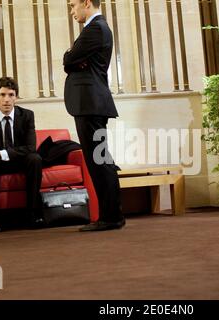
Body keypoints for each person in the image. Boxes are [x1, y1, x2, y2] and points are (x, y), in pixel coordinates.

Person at [63, 0, 125, 231]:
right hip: (90, 103)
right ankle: (111, 215)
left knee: (99, 160)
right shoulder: (95, 29)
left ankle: (111, 216)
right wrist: (73, 60)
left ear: (86, 3)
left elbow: (69, 60)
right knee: (98, 159)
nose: (72, 11)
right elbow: (73, 62)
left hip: (91, 103)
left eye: (73, 5)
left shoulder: (96, 28)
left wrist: (71, 58)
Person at [0, 77, 44, 232]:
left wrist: (0, 153)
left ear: (16, 97)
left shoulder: (27, 115)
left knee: (35, 159)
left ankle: (31, 214)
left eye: (11, 95)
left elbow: (30, 147)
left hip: (19, 160)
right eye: (2, 95)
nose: (6, 100)